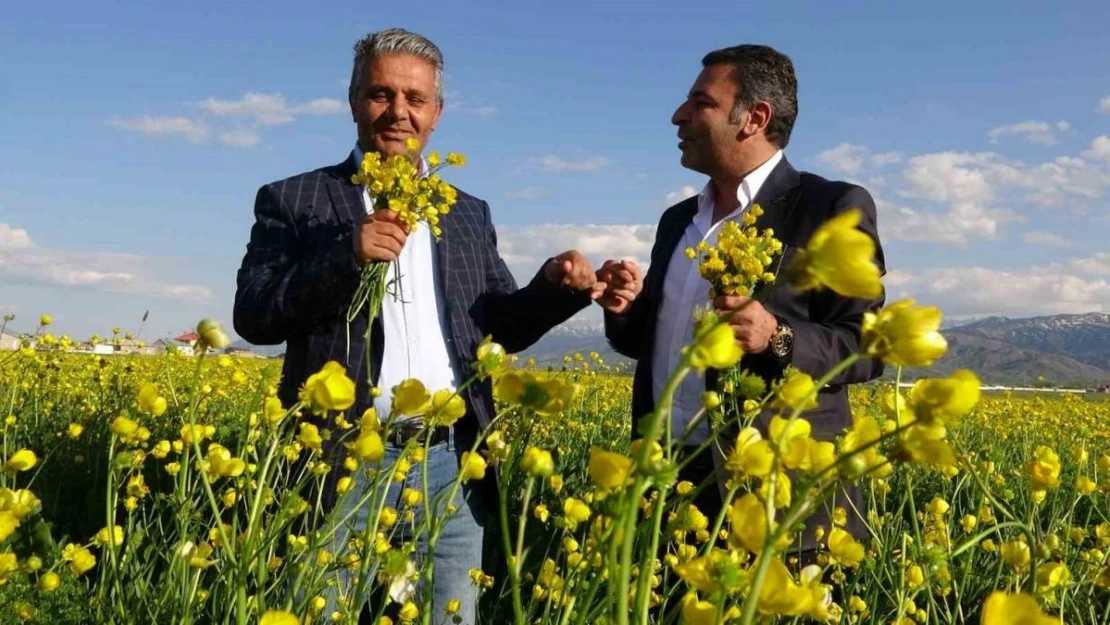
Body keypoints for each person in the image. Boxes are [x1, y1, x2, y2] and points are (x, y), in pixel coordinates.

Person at [233, 27, 602, 624]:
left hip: (452, 466)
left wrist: (554, 292)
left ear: (437, 112)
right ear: (355, 101)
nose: (398, 113)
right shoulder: (293, 199)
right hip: (339, 459)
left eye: (415, 99)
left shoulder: (466, 211)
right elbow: (252, 314)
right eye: (381, 95)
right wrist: (344, 256)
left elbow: (495, 328)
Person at [597, 44, 886, 562]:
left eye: (699, 102)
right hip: (669, 481)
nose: (678, 116)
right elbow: (651, 346)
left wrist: (776, 336)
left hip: (776, 495)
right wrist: (624, 309)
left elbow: (867, 345)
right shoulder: (677, 221)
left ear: (754, 118)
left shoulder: (831, 208)